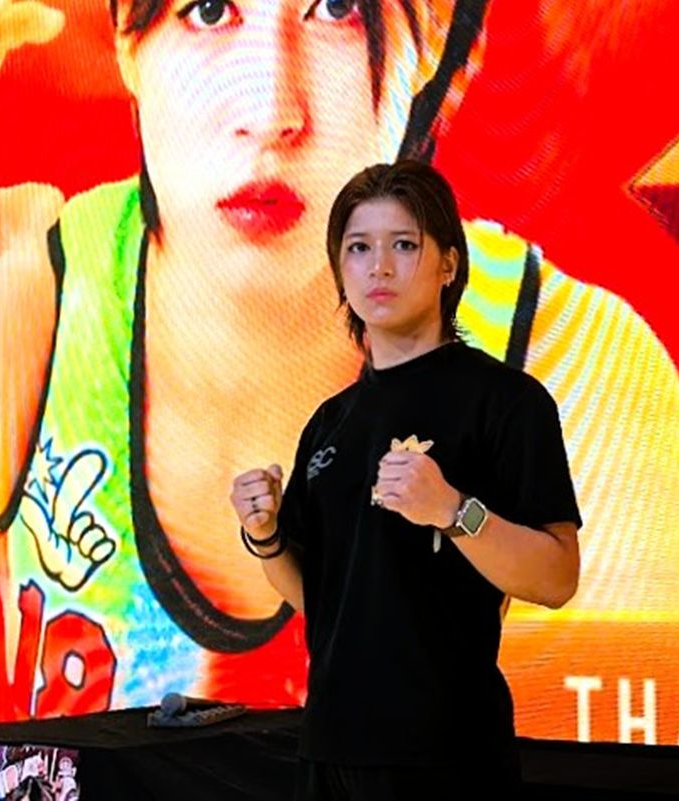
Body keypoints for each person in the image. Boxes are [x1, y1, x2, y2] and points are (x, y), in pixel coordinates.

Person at [0, 0, 679, 716]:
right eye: (210, 9)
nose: (270, 110)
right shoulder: (34, 297)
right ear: (128, 40)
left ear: (427, 43)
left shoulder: (567, 370)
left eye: (335, 8)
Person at [232, 159, 581, 799]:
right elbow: (321, 600)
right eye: (359, 248)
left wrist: (453, 510)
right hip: (330, 746)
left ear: (449, 264)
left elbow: (557, 577)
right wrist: (265, 536)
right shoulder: (331, 421)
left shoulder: (507, 402)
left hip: (447, 753)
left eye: (403, 245)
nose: (380, 268)